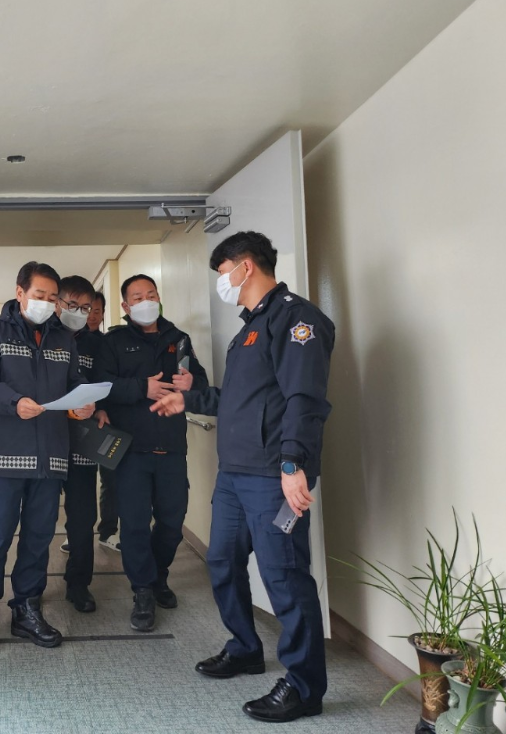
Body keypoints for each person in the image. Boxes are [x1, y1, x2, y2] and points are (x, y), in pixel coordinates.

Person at [150, 231, 334, 724]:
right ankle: (245, 648)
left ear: (245, 266)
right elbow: (237, 400)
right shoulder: (248, 330)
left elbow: (304, 399)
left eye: (223, 273)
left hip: (273, 474)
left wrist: (293, 464)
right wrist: (188, 398)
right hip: (234, 474)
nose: (222, 283)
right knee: (222, 562)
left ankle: (304, 686)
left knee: (284, 576)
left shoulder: (296, 320)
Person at [0, 261, 95, 652]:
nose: (47, 303)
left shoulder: (64, 340)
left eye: (53, 298)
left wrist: (83, 404)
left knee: (39, 538)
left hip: (51, 454)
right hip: (6, 453)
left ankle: (26, 609)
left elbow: (74, 383)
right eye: (40, 295)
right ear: (20, 292)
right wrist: (13, 402)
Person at [96, 274, 208, 632]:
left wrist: (193, 384)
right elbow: (100, 386)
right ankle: (143, 589)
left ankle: (159, 575)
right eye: (137, 297)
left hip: (171, 447)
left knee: (173, 521)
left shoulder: (179, 339)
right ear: (126, 306)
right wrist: (140, 388)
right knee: (134, 524)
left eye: (151, 294)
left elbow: (200, 385)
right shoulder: (113, 342)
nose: (146, 301)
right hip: (131, 449)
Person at [53, 276, 102, 612]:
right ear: (57, 303)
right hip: (44, 443)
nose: (80, 312)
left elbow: (108, 384)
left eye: (86, 307)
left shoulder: (98, 345)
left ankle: (79, 583)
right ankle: (29, 589)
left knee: (83, 520)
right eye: (72, 305)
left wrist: (100, 406)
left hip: (82, 444)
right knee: (39, 519)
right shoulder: (40, 336)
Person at [87, 291, 121, 553]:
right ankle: (76, 533)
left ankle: (107, 531)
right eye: (87, 310)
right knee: (80, 483)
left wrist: (102, 408)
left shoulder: (108, 343)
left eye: (97, 311)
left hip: (107, 419)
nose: (91, 316)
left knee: (110, 478)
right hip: (76, 420)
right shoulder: (66, 341)